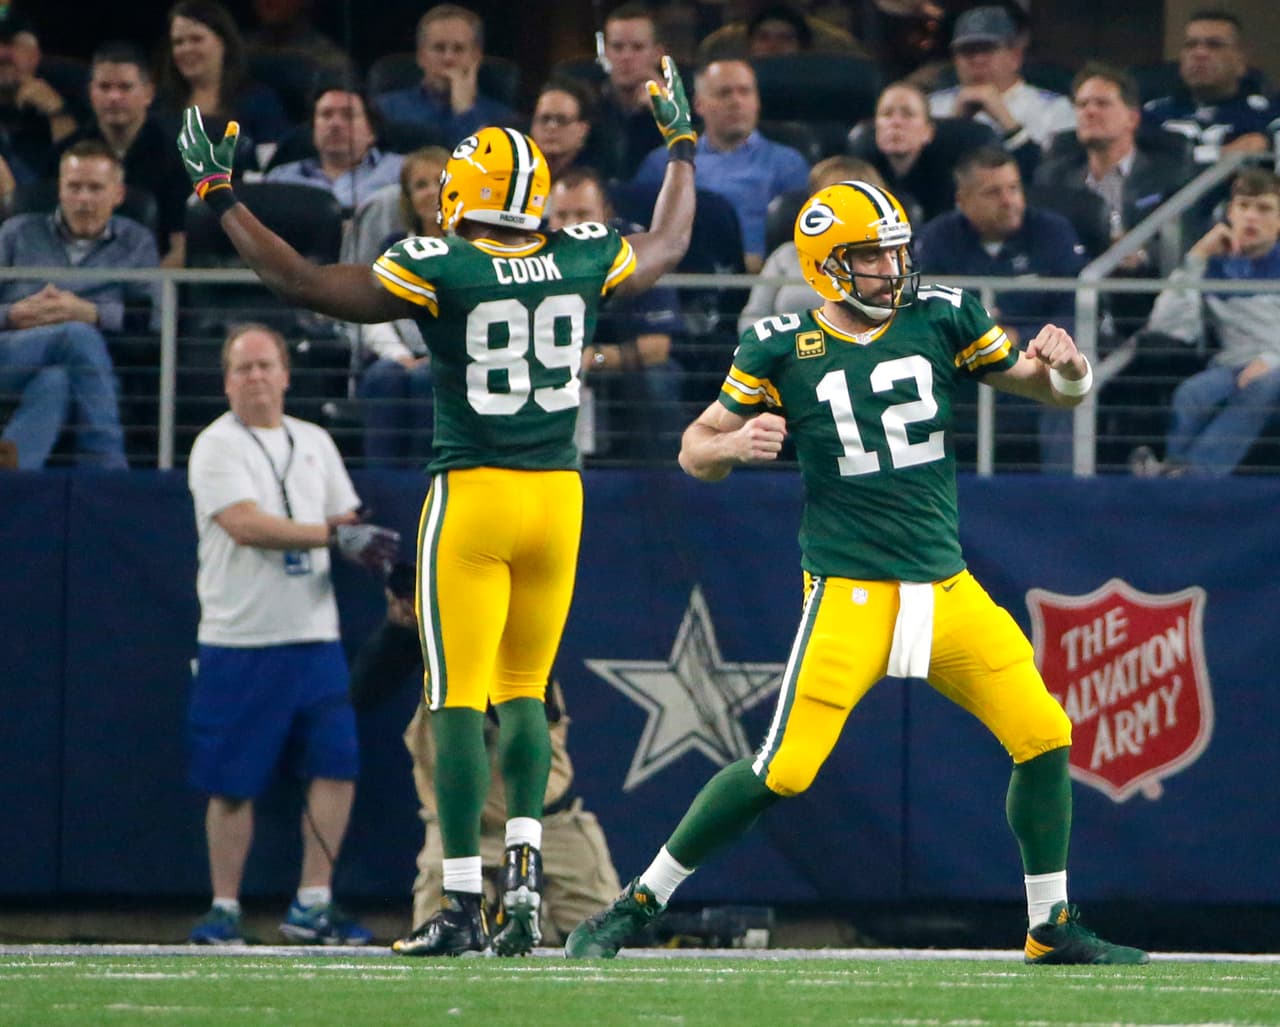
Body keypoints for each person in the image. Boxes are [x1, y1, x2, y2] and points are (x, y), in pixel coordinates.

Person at [176, 54, 696, 956]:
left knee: (457, 697)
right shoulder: (578, 254)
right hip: (559, 500)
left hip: (476, 495)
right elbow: (669, 244)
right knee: (525, 692)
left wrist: (221, 196)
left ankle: (462, 902)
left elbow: (301, 282)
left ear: (468, 192)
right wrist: (681, 147)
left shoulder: (440, 261)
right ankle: (526, 876)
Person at [564, 178, 1148, 967]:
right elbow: (695, 446)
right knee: (786, 768)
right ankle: (638, 904)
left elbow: (1052, 393)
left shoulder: (942, 314)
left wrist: (1071, 367)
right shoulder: (778, 343)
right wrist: (732, 449)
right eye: (870, 254)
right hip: (850, 591)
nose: (891, 266)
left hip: (946, 587)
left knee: (1045, 734)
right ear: (827, 266)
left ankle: (1050, 925)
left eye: (894, 248)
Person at [185, 322, 401, 945]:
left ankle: (313, 899)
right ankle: (224, 906)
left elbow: (343, 516)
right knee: (231, 782)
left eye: (264, 365)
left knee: (336, 765)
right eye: (242, 368)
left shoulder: (313, 441)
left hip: (313, 633)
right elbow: (245, 524)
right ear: (226, 381)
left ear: (286, 374)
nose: (255, 377)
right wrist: (333, 536)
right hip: (240, 636)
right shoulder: (215, 446)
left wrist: (375, 559)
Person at [349, 562, 623, 948]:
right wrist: (404, 626)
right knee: (440, 947)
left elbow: (509, 711)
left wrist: (452, 624)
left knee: (611, 936)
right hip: (458, 831)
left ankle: (531, 915)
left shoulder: (519, 635)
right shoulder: (431, 648)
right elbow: (363, 692)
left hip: (550, 826)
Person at [915, 145, 1086, 471]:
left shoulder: (1053, 232)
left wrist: (1021, 337)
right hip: (963, 364)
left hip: (1036, 358)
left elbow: (1076, 307)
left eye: (1013, 188)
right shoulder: (937, 238)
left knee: (1063, 389)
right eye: (993, 192)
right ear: (962, 201)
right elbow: (921, 310)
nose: (1008, 201)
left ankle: (1064, 501)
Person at [0, 140, 156, 469]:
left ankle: (11, 481)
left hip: (92, 364)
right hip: (9, 352)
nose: (83, 198)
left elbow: (154, 318)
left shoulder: (136, 241)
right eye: (74, 187)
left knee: (56, 381)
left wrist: (91, 314)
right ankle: (108, 470)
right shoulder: (15, 234)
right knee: (76, 336)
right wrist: (14, 313)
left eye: (95, 188)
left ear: (118, 194)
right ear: (60, 190)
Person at [1129, 169, 1280, 479]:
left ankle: (1194, 477)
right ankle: (1173, 472)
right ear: (1229, 213)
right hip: (1232, 365)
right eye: (1243, 206)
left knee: (1262, 385)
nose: (1251, 217)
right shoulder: (1214, 265)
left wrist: (1271, 361)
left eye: (1264, 208)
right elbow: (1170, 326)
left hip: (1274, 366)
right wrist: (1197, 257)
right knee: (1192, 393)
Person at [546, 166, 686, 459]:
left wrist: (595, 358)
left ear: (606, 215)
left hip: (620, 361)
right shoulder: (535, 253)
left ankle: (666, 483)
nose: (571, 226)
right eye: (561, 216)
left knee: (659, 380)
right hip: (552, 365)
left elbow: (657, 349)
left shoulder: (637, 251)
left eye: (583, 215)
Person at [632, 58, 809, 272]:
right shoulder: (664, 162)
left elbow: (802, 237)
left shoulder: (787, 163)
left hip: (760, 276)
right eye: (724, 93)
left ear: (757, 101)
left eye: (745, 92)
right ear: (698, 105)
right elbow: (639, 232)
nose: (736, 101)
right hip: (680, 276)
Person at [348, 145, 449, 468]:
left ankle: (427, 483)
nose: (431, 192)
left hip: (452, 359)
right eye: (420, 185)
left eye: (440, 182)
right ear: (408, 197)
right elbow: (373, 313)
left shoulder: (473, 247)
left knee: (427, 379)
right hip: (399, 354)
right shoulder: (393, 248)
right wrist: (400, 356)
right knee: (382, 378)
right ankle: (383, 485)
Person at [51, 41, 191, 267]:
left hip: (147, 280)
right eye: (104, 87)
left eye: (125, 87)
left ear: (148, 93)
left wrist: (147, 294)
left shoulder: (179, 157)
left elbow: (180, 246)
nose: (114, 97)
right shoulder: (64, 154)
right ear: (91, 93)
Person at [738, 154, 885, 334]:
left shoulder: (890, 258)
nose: (839, 208)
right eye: (831, 197)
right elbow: (751, 319)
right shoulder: (785, 256)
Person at [927, 5, 1074, 173]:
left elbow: (1055, 175)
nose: (977, 60)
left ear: (1015, 57)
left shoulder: (1055, 109)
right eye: (967, 51)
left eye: (987, 49)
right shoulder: (932, 107)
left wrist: (1008, 123)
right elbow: (920, 172)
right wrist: (954, 124)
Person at [1141, 10, 1277, 169]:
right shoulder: (1151, 114)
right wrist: (1222, 153)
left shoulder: (1268, 116)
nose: (1200, 53)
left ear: (1241, 59)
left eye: (1214, 45)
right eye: (1190, 45)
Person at [850, 80, 993, 225]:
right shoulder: (860, 171)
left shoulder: (945, 179)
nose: (895, 122)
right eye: (887, 114)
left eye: (908, 114)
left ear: (928, 132)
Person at [158, 0, 291, 156]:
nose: (186, 49)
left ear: (223, 43)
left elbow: (273, 166)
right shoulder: (161, 105)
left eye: (196, 39)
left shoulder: (258, 102)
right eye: (178, 42)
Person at [374, 4, 516, 144]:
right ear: (421, 56)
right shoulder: (386, 111)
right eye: (439, 48)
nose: (448, 58)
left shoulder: (502, 120)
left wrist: (465, 112)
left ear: (476, 57)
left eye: (459, 49)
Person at [266, 87, 403, 212]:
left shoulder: (401, 171)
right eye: (326, 114)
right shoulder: (280, 178)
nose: (335, 124)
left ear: (371, 132)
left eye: (348, 115)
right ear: (313, 130)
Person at [591, 2, 667, 182]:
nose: (626, 57)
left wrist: (664, 116)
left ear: (657, 53)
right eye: (617, 47)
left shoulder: (682, 107)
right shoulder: (589, 105)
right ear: (606, 52)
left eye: (637, 47)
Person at [0, 9, 78, 182]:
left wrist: (58, 112)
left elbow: (80, 170)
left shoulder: (72, 87)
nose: (3, 54)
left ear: (35, 55)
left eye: (11, 44)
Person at [529, 77, 599, 182]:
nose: (551, 127)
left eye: (561, 120)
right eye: (545, 119)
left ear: (582, 130)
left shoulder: (594, 181)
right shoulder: (517, 173)